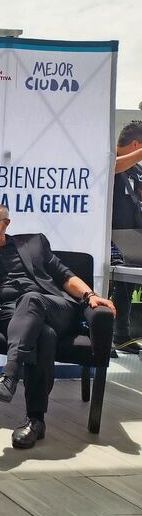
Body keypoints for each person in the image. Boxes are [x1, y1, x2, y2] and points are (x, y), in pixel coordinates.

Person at [0, 202, 115, 449]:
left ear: (5, 224)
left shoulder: (33, 242)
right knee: (43, 335)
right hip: (13, 314)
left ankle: (10, 373)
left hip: (55, 307)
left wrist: (89, 296)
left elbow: (64, 275)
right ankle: (35, 420)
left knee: (32, 299)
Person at [110, 121, 142, 353]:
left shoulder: (136, 171)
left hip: (131, 237)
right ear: (135, 144)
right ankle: (101, 334)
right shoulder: (108, 158)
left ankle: (121, 334)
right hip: (106, 236)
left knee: (127, 285)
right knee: (107, 283)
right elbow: (112, 167)